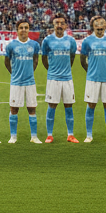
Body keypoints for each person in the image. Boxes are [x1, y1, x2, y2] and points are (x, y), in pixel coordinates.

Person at [79, 16, 106, 143]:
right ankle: (89, 135)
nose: (100, 26)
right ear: (93, 26)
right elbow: (82, 59)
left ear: (105, 25)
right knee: (91, 106)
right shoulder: (87, 41)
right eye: (97, 24)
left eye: (102, 23)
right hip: (92, 79)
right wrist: (90, 71)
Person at [40, 13, 78, 143]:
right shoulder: (47, 40)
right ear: (53, 25)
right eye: (57, 23)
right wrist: (51, 70)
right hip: (53, 78)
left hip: (67, 78)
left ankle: (70, 135)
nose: (59, 26)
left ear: (66, 25)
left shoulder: (71, 41)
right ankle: (49, 135)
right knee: (52, 106)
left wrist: (66, 69)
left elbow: (72, 57)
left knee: (68, 106)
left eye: (62, 23)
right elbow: (44, 59)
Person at [5, 20, 41, 144]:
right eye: (21, 28)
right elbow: (6, 62)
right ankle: (13, 136)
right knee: (14, 108)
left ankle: (34, 136)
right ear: (17, 30)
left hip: (30, 82)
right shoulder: (11, 45)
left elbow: (36, 60)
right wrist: (14, 73)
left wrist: (31, 71)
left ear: (29, 29)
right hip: (16, 82)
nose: (24, 30)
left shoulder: (35, 45)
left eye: (26, 27)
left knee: (32, 109)